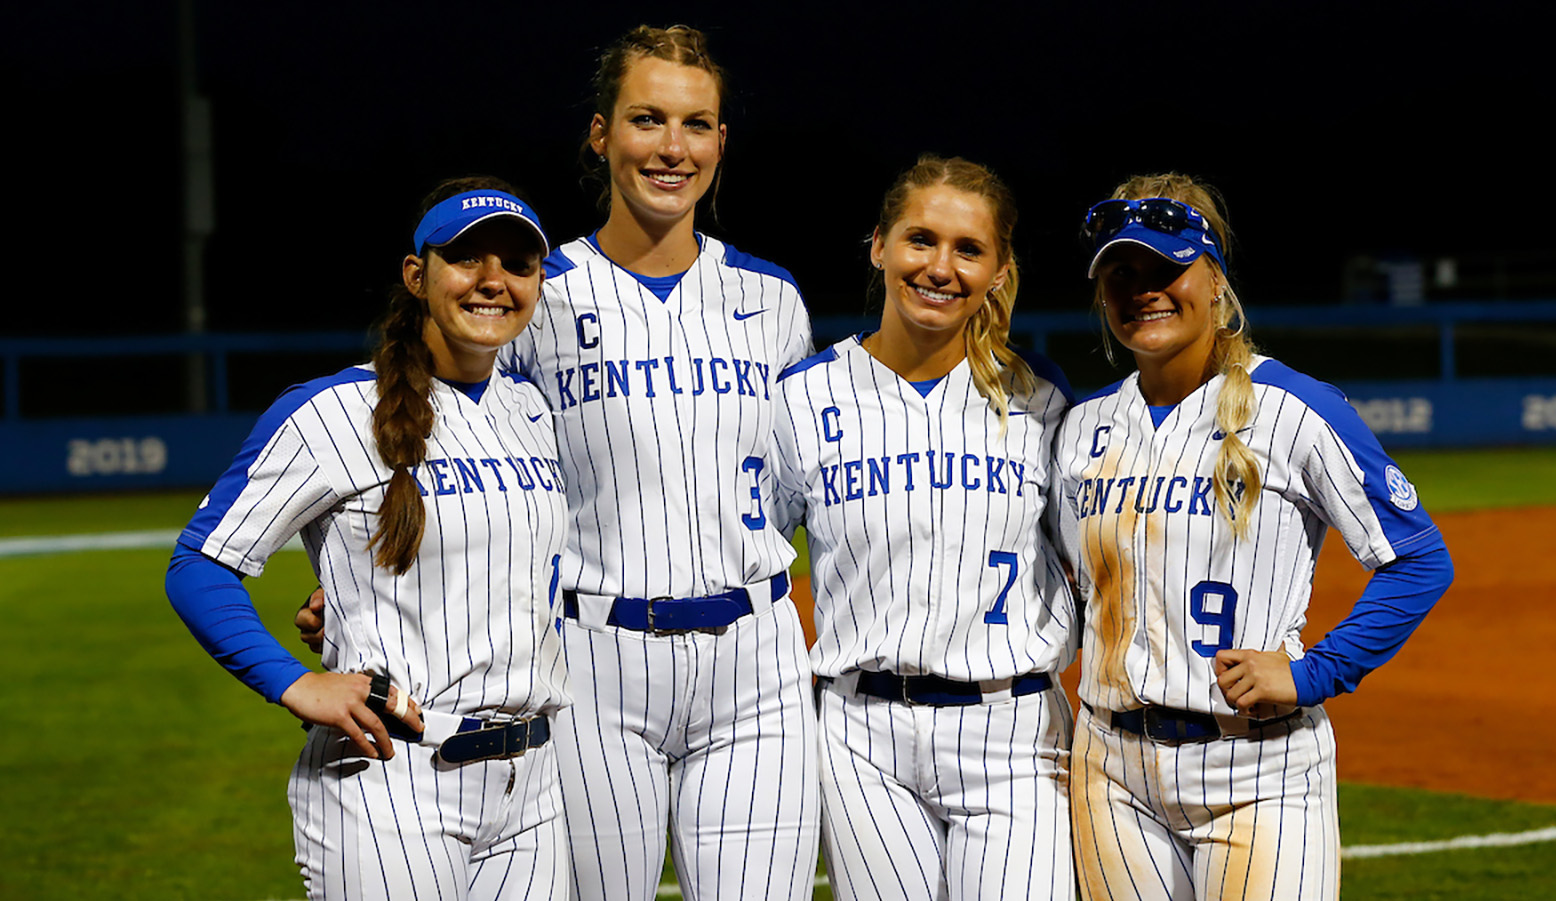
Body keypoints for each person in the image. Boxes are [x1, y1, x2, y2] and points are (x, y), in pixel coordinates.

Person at [168, 177, 573, 900]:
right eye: (465, 258)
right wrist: (294, 681)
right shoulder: (333, 412)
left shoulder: (532, 410)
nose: (492, 281)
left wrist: (353, 594)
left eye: (517, 263)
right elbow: (200, 563)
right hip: (392, 775)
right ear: (418, 275)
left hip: (532, 785)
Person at [1054, 173, 1455, 900]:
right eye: (1122, 272)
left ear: (1215, 280)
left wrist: (1312, 673)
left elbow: (1418, 558)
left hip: (1257, 769)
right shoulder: (1082, 427)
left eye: (1167, 268)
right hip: (1108, 770)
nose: (1143, 288)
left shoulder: (1293, 408)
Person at [501, 25, 819, 901]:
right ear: (601, 135)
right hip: (591, 658)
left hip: (756, 657)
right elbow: (471, 461)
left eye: (696, 123)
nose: (672, 148)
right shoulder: (539, 295)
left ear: (721, 141)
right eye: (647, 119)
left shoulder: (773, 299)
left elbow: (802, 484)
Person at [768, 155, 1078, 901]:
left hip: (1016, 733)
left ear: (999, 270)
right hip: (860, 734)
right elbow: (751, 564)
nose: (940, 266)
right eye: (920, 240)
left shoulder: (1040, 401)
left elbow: (1096, 566)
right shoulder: (803, 398)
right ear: (879, 246)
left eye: (968, 249)